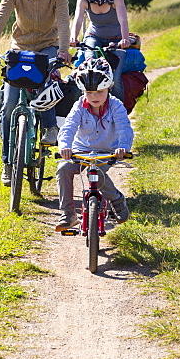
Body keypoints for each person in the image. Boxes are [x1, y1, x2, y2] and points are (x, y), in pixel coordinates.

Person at [0, 0, 70, 185]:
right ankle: (7, 164)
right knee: (10, 103)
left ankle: (50, 127)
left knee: (48, 80)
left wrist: (62, 49)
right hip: (20, 48)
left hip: (48, 47)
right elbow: (1, 16)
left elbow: (63, 20)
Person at [55, 57, 132, 231]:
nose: (94, 97)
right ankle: (68, 213)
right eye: (89, 93)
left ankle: (116, 200)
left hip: (107, 151)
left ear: (109, 88)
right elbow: (68, 127)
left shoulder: (116, 106)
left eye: (99, 92)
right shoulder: (79, 107)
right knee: (63, 169)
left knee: (96, 173)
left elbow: (124, 128)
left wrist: (123, 147)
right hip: (80, 150)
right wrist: (64, 147)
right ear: (82, 91)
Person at [69, 0, 130, 99]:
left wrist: (125, 39)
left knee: (116, 79)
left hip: (116, 39)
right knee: (90, 71)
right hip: (94, 37)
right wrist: (73, 37)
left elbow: (123, 20)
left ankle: (120, 115)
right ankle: (88, 110)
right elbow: (78, 20)